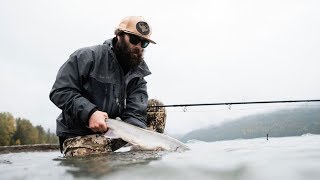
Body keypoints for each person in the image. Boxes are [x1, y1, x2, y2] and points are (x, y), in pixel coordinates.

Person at [49, 16, 166, 157]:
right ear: (119, 35)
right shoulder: (87, 57)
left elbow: (135, 114)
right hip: (79, 136)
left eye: (144, 43)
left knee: (156, 107)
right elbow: (60, 91)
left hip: (115, 134)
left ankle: (137, 157)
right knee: (82, 155)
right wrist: (90, 113)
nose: (139, 47)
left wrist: (139, 139)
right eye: (134, 40)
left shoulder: (138, 76)